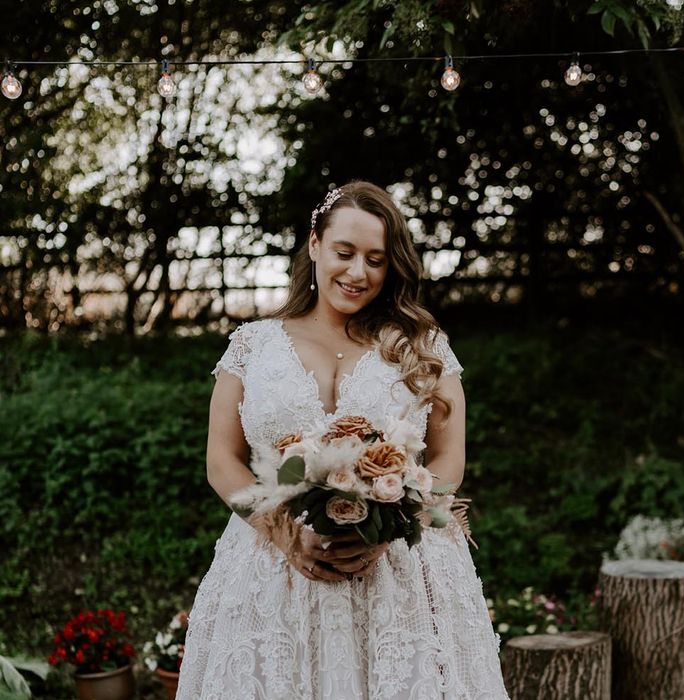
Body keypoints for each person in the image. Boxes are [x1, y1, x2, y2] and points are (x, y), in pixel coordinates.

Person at [176, 181, 509, 699]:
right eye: (345, 252)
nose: (358, 273)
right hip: (271, 568)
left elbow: (449, 458)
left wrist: (388, 525)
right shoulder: (252, 347)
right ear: (314, 245)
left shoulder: (423, 347)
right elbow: (222, 459)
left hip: (400, 573)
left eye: (376, 260)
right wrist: (282, 529)